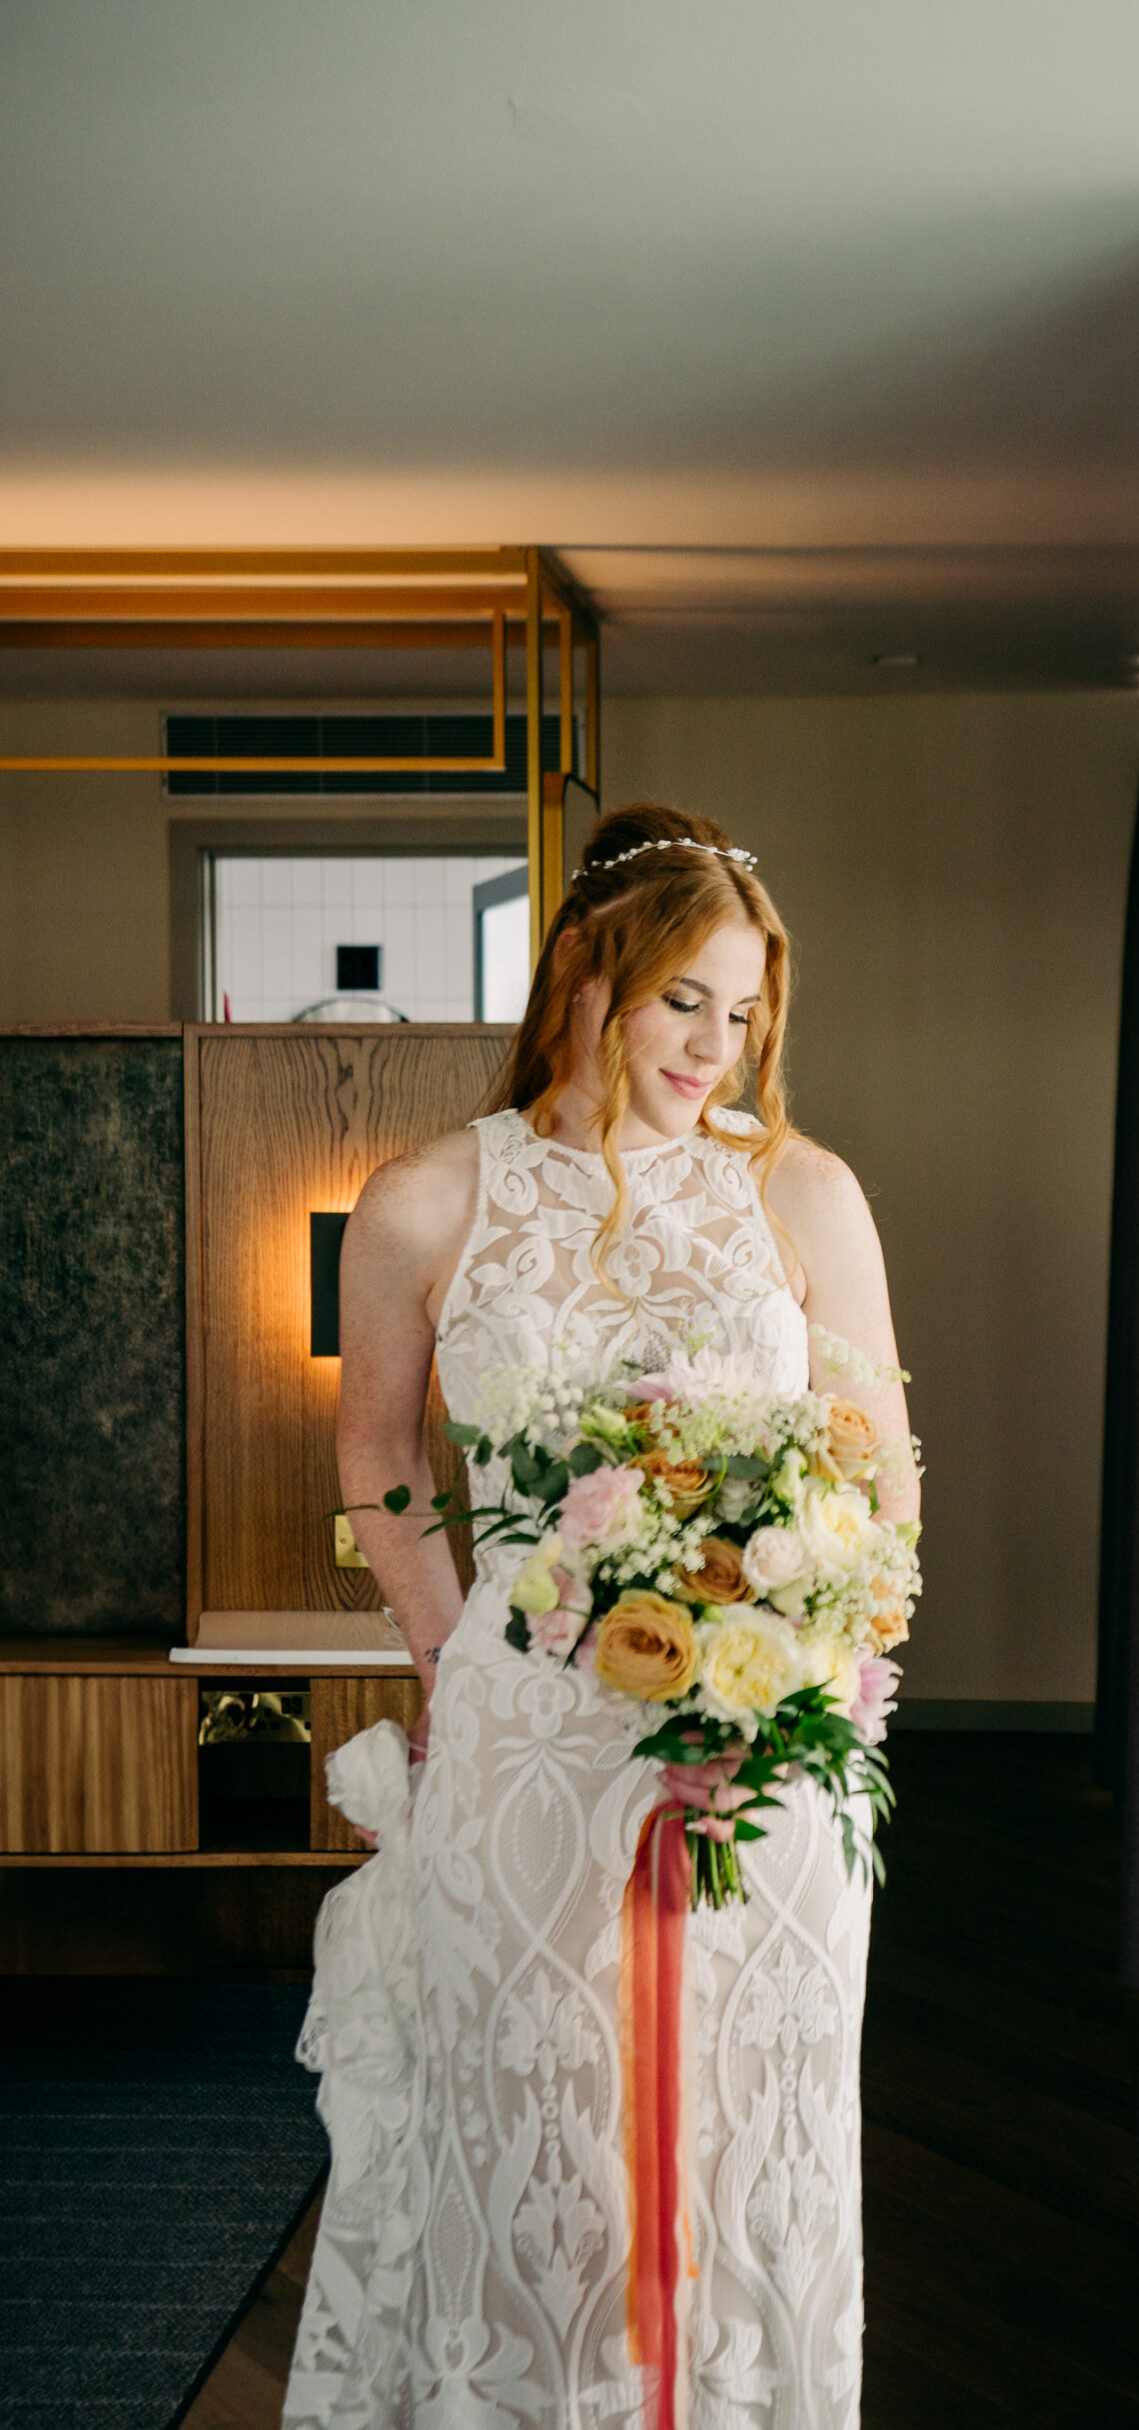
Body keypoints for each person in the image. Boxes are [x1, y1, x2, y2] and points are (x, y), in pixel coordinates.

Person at [283, 803, 917, 2430]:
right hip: (530, 1738)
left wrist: (824, 1694)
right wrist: (452, 1660)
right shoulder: (429, 1199)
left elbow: (879, 1475)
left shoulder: (804, 1192)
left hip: (764, 1753)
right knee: (542, 2123)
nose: (718, 1046)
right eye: (682, 1000)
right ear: (587, 975)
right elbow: (377, 1457)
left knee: (742, 2128)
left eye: (744, 1009)